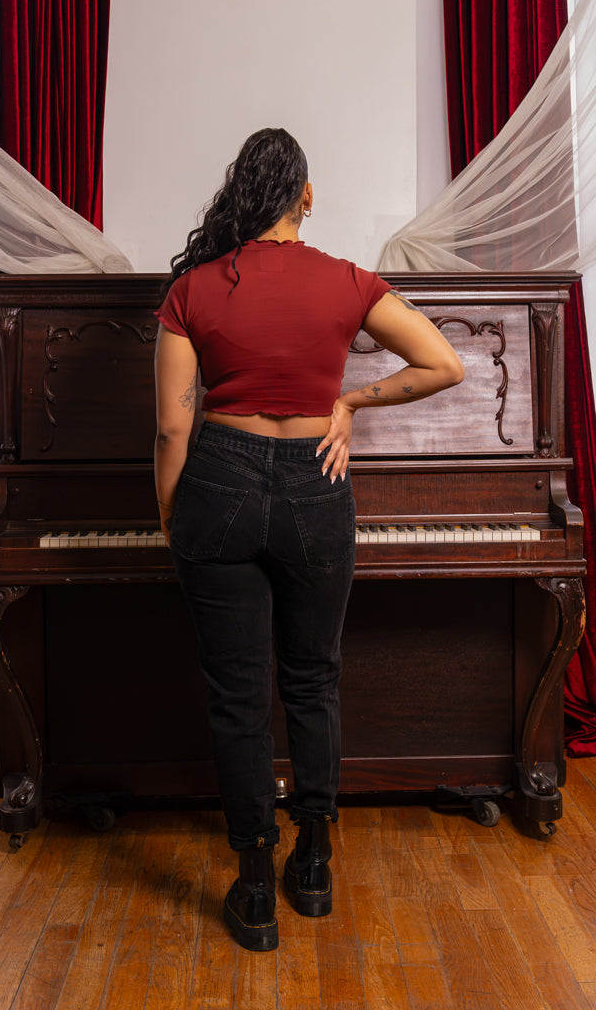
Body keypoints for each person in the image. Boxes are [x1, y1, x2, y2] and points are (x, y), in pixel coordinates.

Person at [153, 128, 463, 952]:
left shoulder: (192, 288)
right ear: (306, 197)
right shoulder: (347, 280)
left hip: (215, 481)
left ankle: (255, 887)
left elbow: (169, 426)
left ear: (241, 198)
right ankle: (315, 865)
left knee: (236, 696)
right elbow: (444, 365)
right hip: (313, 484)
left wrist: (168, 516)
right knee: (312, 680)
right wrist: (349, 407)